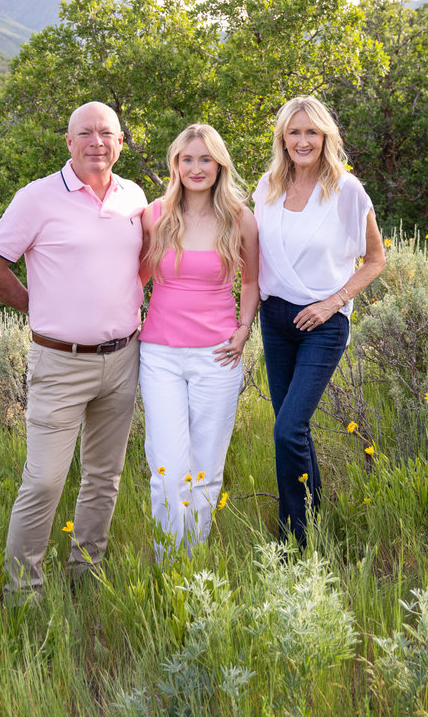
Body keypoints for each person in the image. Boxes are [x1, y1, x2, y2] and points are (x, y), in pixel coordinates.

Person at [0, 102, 147, 601]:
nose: (97, 142)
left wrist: (128, 299)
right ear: (68, 142)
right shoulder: (36, 198)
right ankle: (23, 594)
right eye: (85, 133)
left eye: (107, 133)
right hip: (59, 363)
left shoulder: (134, 196)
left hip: (122, 358)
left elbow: (146, 258)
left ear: (120, 141)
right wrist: (36, 304)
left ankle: (85, 575)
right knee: (44, 481)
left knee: (104, 476)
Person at [253, 95, 386, 547]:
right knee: (294, 426)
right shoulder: (267, 187)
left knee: (288, 428)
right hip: (275, 319)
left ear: (325, 136)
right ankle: (311, 519)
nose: (303, 140)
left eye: (312, 132)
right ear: (283, 139)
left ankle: (294, 541)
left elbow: (375, 259)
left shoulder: (346, 190)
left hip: (323, 323)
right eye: (294, 132)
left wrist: (333, 303)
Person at [139, 124, 259, 558]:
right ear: (175, 164)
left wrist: (243, 330)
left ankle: (192, 564)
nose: (195, 168)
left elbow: (251, 283)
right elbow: (135, 278)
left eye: (205, 159)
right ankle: (166, 562)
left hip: (219, 358)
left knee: (205, 470)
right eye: (187, 159)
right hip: (160, 358)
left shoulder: (240, 218)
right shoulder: (155, 215)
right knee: (168, 471)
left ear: (219, 164)